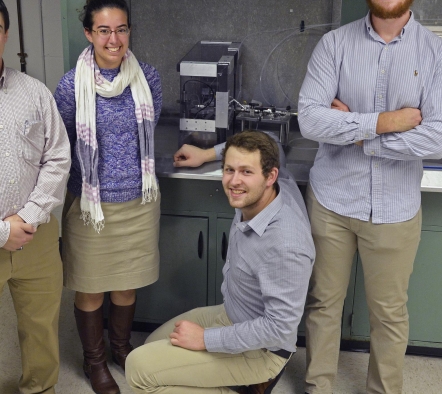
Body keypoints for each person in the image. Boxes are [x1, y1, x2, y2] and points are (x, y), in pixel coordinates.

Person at [298, 0, 442, 394]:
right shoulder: (335, 44)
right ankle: (317, 386)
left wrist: (352, 130)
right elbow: (310, 117)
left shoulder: (439, 56)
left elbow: (437, 137)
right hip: (331, 201)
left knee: (389, 313)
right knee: (324, 304)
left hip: (395, 209)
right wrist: (387, 123)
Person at [125, 130, 315, 394]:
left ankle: (247, 382)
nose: (234, 181)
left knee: (139, 370)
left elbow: (279, 329)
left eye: (246, 172)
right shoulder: (262, 189)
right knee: (152, 345)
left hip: (262, 349)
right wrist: (205, 154)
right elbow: (268, 136)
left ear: (270, 176)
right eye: (229, 169)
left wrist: (206, 339)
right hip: (231, 314)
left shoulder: (286, 244)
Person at [54, 0, 162, 394]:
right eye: (104, 30)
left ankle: (121, 347)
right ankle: (94, 361)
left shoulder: (148, 77)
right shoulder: (70, 87)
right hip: (90, 206)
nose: (113, 40)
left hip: (139, 200)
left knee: (126, 284)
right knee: (90, 288)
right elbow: (62, 144)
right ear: (89, 33)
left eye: (121, 29)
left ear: (129, 31)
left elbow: (145, 135)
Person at [0, 0, 71, 394]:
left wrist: (29, 216)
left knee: (41, 326)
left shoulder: (34, 92)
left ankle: (40, 390)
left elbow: (58, 156)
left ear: (5, 35)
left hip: (37, 235)